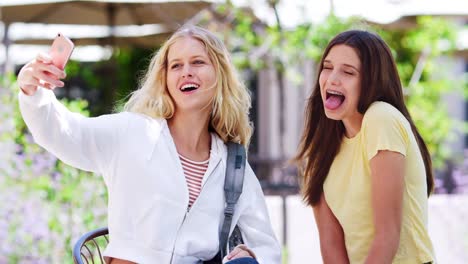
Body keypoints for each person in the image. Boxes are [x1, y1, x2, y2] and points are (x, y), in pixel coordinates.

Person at [17, 25, 281, 264]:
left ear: (220, 74)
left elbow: (267, 246)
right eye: (176, 66)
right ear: (165, 78)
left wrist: (252, 254)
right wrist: (33, 90)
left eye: (198, 62)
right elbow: (65, 133)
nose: (186, 71)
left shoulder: (233, 165)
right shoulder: (132, 131)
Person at [294, 30, 436, 264]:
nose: (332, 79)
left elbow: (387, 235)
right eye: (327, 68)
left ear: (372, 81)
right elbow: (331, 246)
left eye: (348, 72)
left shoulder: (381, 118)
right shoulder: (320, 149)